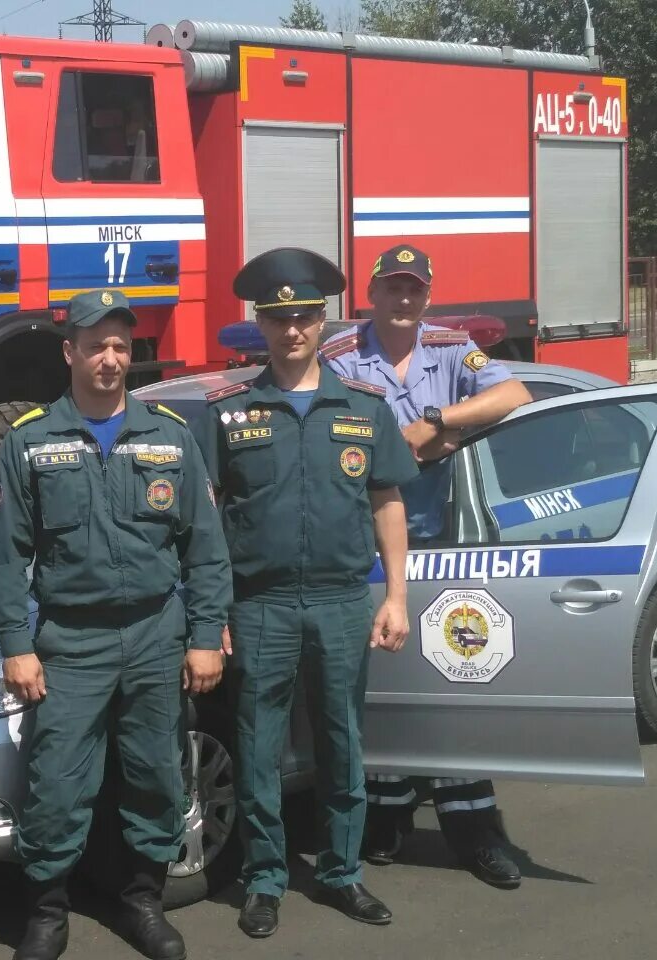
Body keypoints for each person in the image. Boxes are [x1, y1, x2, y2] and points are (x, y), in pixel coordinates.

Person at [0, 289, 231, 960]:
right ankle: (46, 913)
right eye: (96, 345)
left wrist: (206, 635)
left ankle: (141, 902)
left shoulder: (169, 440)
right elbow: (6, 558)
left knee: (156, 776)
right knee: (57, 781)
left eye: (122, 345)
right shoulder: (31, 441)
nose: (110, 358)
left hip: (156, 634)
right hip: (70, 643)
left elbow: (205, 549)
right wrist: (15, 645)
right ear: (71, 351)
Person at [194, 248, 419, 939]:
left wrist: (396, 597)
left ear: (322, 322)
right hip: (258, 605)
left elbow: (386, 505)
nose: (292, 330)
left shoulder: (362, 408)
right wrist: (212, 612)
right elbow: (205, 518)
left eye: (304, 317)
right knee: (258, 746)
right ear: (260, 325)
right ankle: (265, 879)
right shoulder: (230, 412)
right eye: (278, 318)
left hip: (342, 601)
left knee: (343, 740)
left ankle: (342, 873)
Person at [321, 245, 532, 889]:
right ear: (371, 293)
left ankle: (474, 828)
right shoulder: (338, 356)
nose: (403, 300)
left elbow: (514, 393)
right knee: (381, 685)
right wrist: (408, 440)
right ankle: (386, 818)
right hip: (358, 543)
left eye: (414, 289)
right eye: (391, 288)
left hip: (443, 540)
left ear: (428, 296)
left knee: (453, 676)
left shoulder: (450, 347)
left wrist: (436, 421)